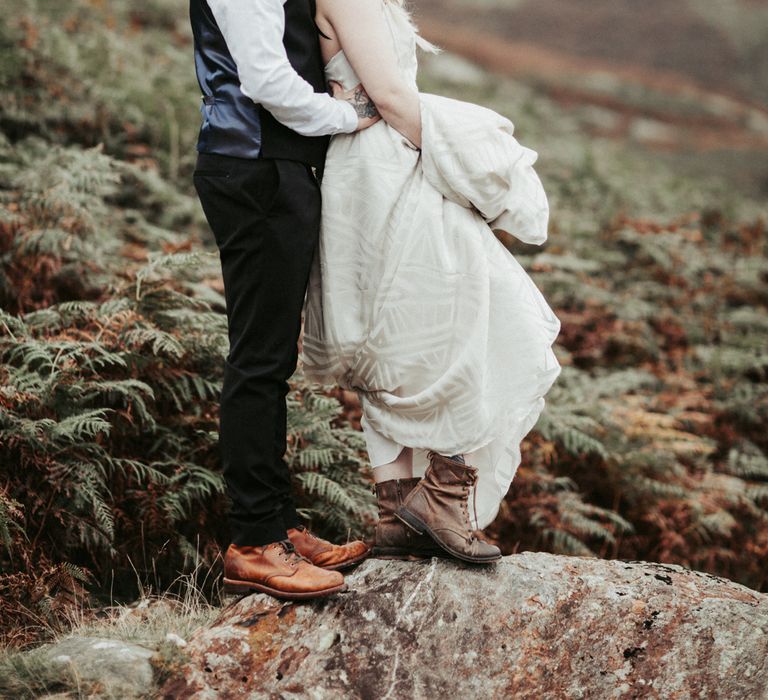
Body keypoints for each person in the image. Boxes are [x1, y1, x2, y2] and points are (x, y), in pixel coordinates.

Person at [301, 0, 563, 563]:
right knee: (468, 323)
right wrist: (468, 165)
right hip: (388, 169)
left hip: (368, 168)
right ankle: (440, 499)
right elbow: (391, 98)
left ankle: (397, 511)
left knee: (400, 335)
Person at [189, 0, 380, 600]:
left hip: (273, 166)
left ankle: (277, 526)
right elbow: (266, 79)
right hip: (255, 166)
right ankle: (252, 543)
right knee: (260, 358)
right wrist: (347, 116)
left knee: (272, 358)